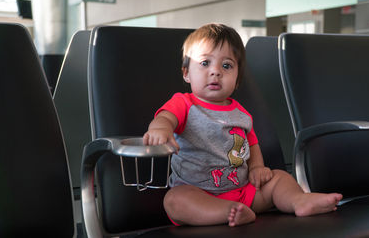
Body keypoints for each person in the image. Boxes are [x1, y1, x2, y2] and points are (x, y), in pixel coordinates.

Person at [142, 23, 343, 227]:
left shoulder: (241, 113)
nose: (215, 72)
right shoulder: (184, 103)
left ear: (237, 79)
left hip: (244, 192)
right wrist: (160, 129)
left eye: (226, 66)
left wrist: (257, 167)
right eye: (204, 63)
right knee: (174, 201)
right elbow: (166, 118)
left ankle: (298, 201)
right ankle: (226, 212)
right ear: (186, 73)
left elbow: (251, 144)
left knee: (279, 178)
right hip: (197, 194)